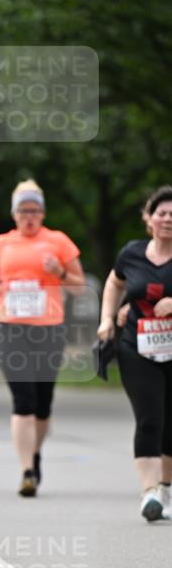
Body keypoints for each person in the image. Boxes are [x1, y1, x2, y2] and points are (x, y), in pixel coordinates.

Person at [0, 179, 85, 496]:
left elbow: (79, 287)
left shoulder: (59, 241)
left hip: (49, 329)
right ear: (14, 214)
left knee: (43, 403)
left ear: (42, 213)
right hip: (10, 328)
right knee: (23, 400)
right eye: (24, 210)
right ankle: (27, 470)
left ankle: (35, 454)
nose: (29, 216)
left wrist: (60, 272)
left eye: (35, 210)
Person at [97, 185, 172, 521]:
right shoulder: (132, 253)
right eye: (162, 213)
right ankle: (149, 492)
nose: (168, 219)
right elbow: (115, 282)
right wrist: (107, 319)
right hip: (136, 346)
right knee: (149, 417)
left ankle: (166, 488)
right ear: (149, 218)